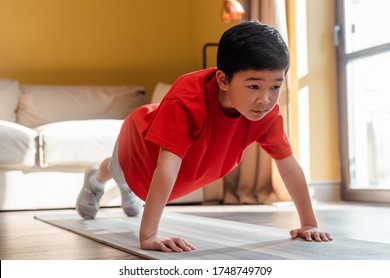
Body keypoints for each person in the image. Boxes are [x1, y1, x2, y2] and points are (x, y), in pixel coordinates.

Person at [76, 20, 333, 253]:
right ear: (223, 80)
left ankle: (125, 190)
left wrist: (309, 223)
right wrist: (149, 234)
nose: (265, 99)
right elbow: (165, 167)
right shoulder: (188, 99)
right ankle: (96, 180)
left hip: (173, 169)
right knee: (116, 168)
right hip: (141, 148)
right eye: (254, 86)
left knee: (130, 190)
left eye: (275, 86)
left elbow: (288, 164)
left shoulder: (265, 113)